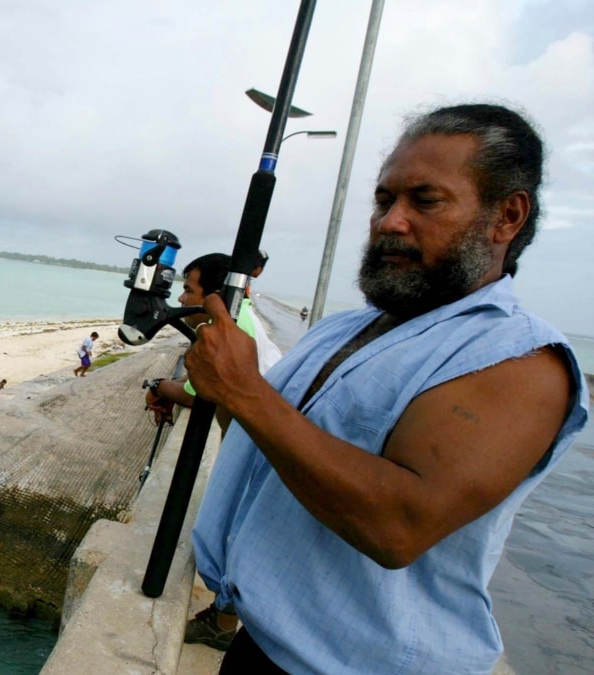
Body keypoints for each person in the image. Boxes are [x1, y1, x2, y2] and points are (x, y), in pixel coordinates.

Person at [185, 104, 586, 672]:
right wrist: (221, 389)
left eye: (425, 201)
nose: (391, 222)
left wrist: (247, 391)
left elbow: (398, 526)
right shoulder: (341, 329)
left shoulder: (519, 361)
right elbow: (267, 447)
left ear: (507, 217)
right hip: (262, 640)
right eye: (383, 200)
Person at [144, 253, 281, 430]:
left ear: (214, 299)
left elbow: (193, 395)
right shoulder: (240, 316)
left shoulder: (230, 329)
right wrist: (162, 386)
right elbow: (197, 380)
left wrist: (159, 387)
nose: (181, 299)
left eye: (188, 290)